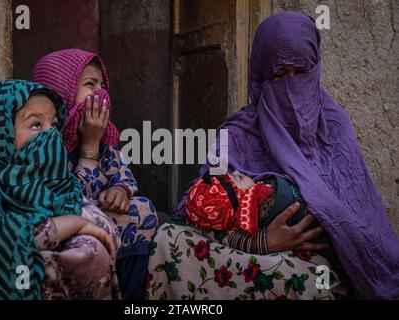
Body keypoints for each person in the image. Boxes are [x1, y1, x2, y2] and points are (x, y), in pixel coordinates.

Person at [148, 12, 399, 300]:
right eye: (279, 76)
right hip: (250, 253)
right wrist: (261, 242)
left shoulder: (333, 125)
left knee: (308, 282)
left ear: (314, 72)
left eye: (300, 73)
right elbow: (198, 209)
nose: (292, 89)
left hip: (324, 268)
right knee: (170, 237)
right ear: (260, 79)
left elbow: (360, 217)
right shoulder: (235, 135)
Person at [0, 80, 121, 299]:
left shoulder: (57, 183)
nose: (50, 135)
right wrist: (72, 224)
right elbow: (0, 242)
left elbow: (104, 229)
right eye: (36, 125)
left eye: (54, 125)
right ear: (0, 134)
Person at [32, 49, 158, 299]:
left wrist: (120, 189)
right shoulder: (45, 142)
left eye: (102, 85)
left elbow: (122, 174)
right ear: (61, 91)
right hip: (68, 224)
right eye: (90, 84)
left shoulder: (105, 139)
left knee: (145, 210)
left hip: (102, 221)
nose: (100, 93)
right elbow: (72, 200)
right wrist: (88, 146)